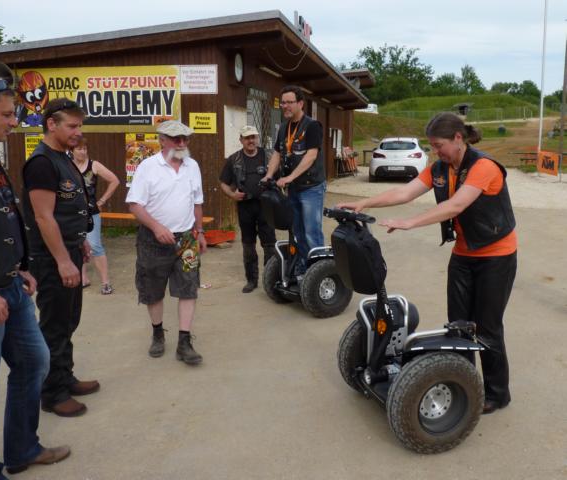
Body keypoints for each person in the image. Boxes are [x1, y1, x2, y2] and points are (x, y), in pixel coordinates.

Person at [338, 112, 517, 415]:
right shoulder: (440, 168)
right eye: (432, 146)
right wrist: (363, 203)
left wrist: (411, 223)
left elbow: (456, 205)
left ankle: (498, 394)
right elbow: (405, 192)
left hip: (496, 256)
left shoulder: (483, 167)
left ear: (458, 139)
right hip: (464, 254)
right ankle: (465, 384)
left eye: (439, 145)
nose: (435, 151)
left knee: (487, 327)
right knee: (458, 324)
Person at [0, 74, 70, 479]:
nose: (14, 121)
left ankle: (22, 449)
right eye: (6, 114)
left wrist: (20, 266)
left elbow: (0, 214)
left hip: (11, 286)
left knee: (34, 362)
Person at [22, 98, 99, 417]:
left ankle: (64, 377)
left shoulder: (62, 158)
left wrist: (80, 241)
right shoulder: (41, 163)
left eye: (80, 126)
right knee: (54, 324)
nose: (78, 132)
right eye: (72, 126)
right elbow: (44, 217)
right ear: (51, 124)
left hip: (70, 249)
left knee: (69, 319)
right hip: (52, 258)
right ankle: (52, 393)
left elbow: (67, 210)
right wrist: (63, 261)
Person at [126, 120, 207, 364]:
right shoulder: (148, 167)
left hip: (187, 239)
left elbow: (197, 202)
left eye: (185, 138)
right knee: (153, 290)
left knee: (189, 287)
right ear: (162, 140)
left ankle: (184, 342)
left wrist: (200, 231)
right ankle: (158, 333)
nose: (182, 143)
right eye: (176, 138)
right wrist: (156, 227)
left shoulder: (192, 166)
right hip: (153, 240)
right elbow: (135, 205)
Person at [262, 85, 326, 275]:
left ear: (300, 104)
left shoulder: (312, 126)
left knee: (311, 231)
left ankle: (319, 272)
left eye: (290, 102)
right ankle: (304, 266)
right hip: (293, 189)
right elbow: (277, 153)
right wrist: (269, 175)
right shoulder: (284, 128)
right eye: (283, 103)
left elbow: (311, 156)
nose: (285, 106)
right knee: (297, 231)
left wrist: (289, 177)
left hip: (311, 188)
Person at [219, 125, 276, 293]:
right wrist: (232, 195)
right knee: (248, 245)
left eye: (253, 137)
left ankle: (271, 280)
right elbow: (223, 183)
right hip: (245, 207)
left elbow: (280, 177)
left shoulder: (270, 156)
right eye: (247, 138)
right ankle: (251, 281)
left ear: (258, 138)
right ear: (241, 140)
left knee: (269, 245)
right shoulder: (233, 159)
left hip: (266, 207)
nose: (251, 141)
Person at [72, 137, 120, 294]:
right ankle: (83, 279)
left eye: (85, 149)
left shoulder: (94, 165)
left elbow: (114, 181)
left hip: (91, 213)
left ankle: (105, 283)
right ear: (71, 151)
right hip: (72, 214)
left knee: (95, 246)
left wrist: (102, 200)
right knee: (76, 246)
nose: (83, 152)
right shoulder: (66, 165)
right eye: (79, 149)